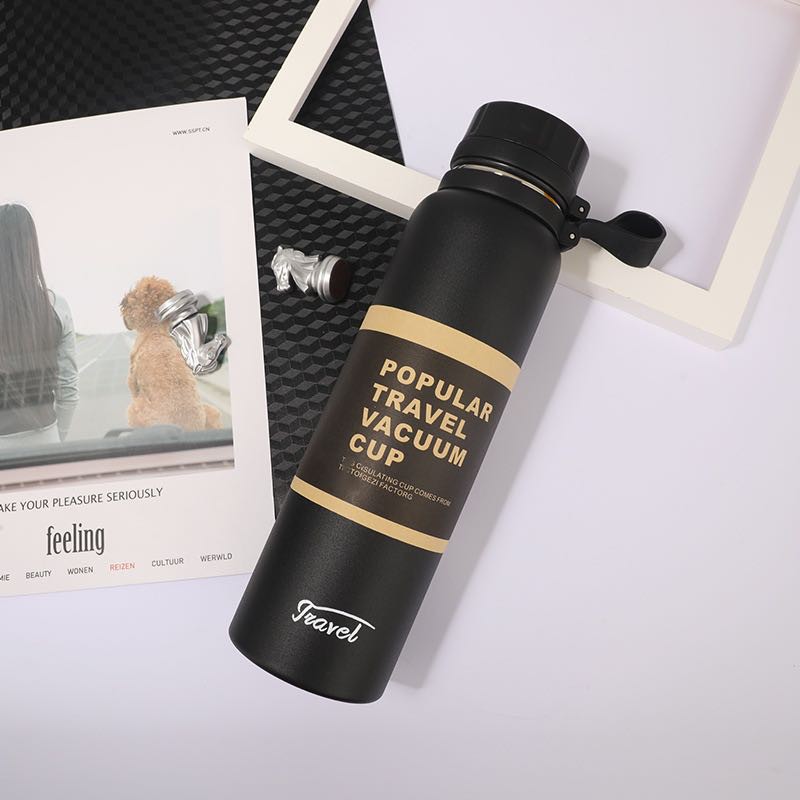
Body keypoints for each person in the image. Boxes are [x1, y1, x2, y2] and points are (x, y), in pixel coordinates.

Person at [0, 203, 79, 450]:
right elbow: (68, 390)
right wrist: (56, 440)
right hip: (46, 440)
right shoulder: (56, 307)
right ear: (31, 247)